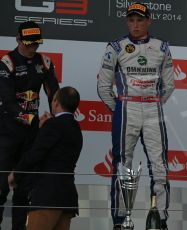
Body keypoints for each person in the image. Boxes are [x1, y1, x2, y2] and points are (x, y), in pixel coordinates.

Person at [97, 2, 175, 230]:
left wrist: (155, 103)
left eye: (140, 20)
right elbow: (103, 86)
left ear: (148, 21)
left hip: (153, 107)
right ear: (127, 22)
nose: (135, 25)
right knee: (122, 166)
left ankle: (160, 219)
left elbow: (169, 85)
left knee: (160, 166)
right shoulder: (116, 47)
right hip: (127, 106)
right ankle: (121, 221)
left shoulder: (161, 47)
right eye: (131, 20)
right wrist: (119, 108)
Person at [0, 21, 59, 230]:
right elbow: (7, 101)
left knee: (24, 189)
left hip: (32, 135)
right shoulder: (8, 62)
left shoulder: (44, 62)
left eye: (36, 43)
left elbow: (54, 94)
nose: (33, 47)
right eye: (29, 43)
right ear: (18, 40)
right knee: (1, 187)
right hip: (7, 133)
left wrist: (55, 117)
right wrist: (31, 119)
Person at [8, 86, 83, 230]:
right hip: (67, 198)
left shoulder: (53, 125)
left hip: (48, 196)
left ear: (55, 103)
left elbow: (35, 154)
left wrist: (16, 174)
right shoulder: (76, 128)